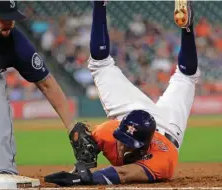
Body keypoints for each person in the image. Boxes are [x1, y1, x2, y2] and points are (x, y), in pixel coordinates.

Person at [44, 0, 200, 186]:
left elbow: (125, 174)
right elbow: (87, 142)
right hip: (132, 116)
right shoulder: (108, 132)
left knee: (186, 78)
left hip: (168, 129)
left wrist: (85, 178)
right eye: (122, 139)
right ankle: (99, 3)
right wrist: (81, 160)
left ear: (144, 148)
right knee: (100, 63)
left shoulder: (163, 161)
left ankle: (187, 29)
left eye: (129, 143)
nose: (123, 145)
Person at [0, 1, 75, 175]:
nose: (9, 23)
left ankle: (5, 170)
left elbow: (47, 84)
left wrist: (71, 126)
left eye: (12, 18)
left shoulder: (17, 45)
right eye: (4, 18)